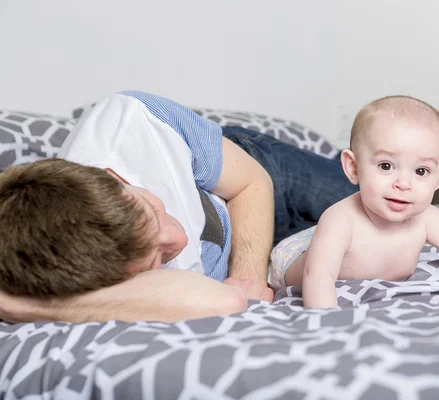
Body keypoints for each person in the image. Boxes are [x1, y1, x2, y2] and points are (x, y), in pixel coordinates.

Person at [0, 91, 357, 323]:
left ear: (115, 178)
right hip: (246, 238)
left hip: (256, 180)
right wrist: (36, 308)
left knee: (396, 203)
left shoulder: (138, 121)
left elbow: (252, 183)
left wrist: (248, 277)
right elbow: (221, 303)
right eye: (155, 260)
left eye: (152, 213)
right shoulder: (68, 269)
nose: (179, 239)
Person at [267, 95, 439, 308]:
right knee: (316, 246)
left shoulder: (427, 218)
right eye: (386, 166)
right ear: (353, 168)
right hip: (294, 254)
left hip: (328, 242)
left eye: (421, 171)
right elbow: (318, 274)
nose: (403, 184)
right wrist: (329, 325)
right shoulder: (340, 219)